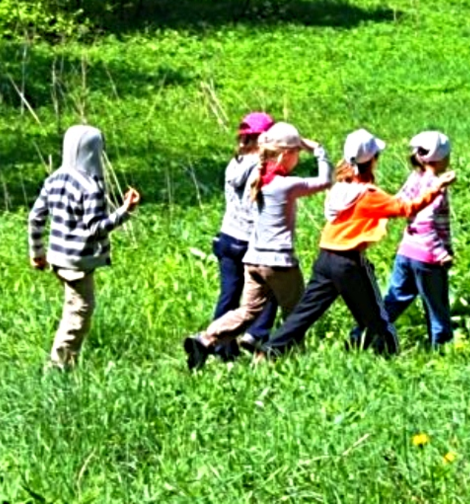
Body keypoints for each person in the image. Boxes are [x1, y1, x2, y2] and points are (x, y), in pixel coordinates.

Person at [260, 129, 455, 357]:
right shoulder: (368, 194)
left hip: (325, 258)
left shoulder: (341, 186)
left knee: (305, 313)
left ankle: (269, 351)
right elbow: (406, 208)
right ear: (372, 160)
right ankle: (392, 358)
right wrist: (436, 187)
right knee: (376, 317)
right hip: (349, 262)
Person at [183, 122, 330, 369]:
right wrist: (318, 150)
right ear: (285, 155)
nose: (298, 157)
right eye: (297, 153)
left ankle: (206, 339)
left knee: (248, 311)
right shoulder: (285, 184)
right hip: (279, 261)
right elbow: (325, 181)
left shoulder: (260, 178)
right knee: (298, 312)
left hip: (253, 260)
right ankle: (287, 359)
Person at [26, 125, 140, 369]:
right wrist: (125, 212)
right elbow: (96, 228)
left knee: (73, 305)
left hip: (57, 257)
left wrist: (37, 252)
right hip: (78, 261)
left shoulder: (53, 179)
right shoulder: (91, 187)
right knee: (80, 312)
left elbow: (35, 216)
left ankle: (66, 361)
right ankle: (59, 365)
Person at [361, 131, 456, 348]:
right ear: (441, 157)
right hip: (428, 258)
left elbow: (398, 203)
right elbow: (425, 221)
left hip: (406, 251)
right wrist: (441, 253)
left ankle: (364, 335)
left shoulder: (415, 178)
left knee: (395, 299)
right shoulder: (436, 187)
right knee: (437, 307)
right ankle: (443, 351)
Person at [209, 112, 277, 359]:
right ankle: (255, 337)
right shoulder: (262, 167)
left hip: (227, 236)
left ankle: (218, 344)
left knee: (229, 295)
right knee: (269, 290)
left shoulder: (234, 163)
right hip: (251, 240)